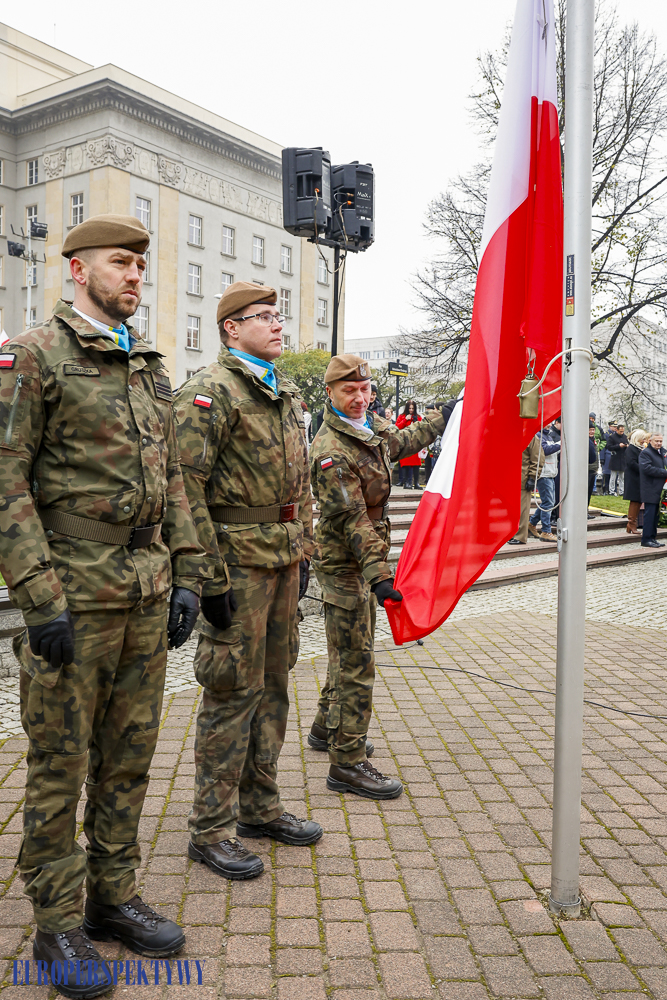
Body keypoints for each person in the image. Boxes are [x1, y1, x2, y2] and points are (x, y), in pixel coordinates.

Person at [0, 214, 205, 996]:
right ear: (78, 270)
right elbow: (6, 479)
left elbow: (174, 476)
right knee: (61, 762)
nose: (135, 276)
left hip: (144, 591)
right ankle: (56, 924)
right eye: (121, 263)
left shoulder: (146, 364)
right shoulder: (36, 354)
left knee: (129, 756)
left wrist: (187, 572)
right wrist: (38, 596)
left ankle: (111, 897)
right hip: (74, 595)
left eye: (140, 266)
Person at [173, 280, 322, 884]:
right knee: (231, 691)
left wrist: (305, 547)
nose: (278, 325)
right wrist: (205, 577)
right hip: (236, 565)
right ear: (231, 328)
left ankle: (260, 807)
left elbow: (301, 481)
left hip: (282, 560)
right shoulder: (211, 392)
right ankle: (211, 828)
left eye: (277, 315)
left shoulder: (281, 391)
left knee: (275, 685)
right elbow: (185, 489)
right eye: (263, 316)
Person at [307, 355, 456, 799]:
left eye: (365, 389)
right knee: (356, 661)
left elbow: (403, 441)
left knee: (348, 650)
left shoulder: (368, 426)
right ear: (330, 393)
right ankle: (347, 763)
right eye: (349, 390)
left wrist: (444, 416)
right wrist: (379, 576)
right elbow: (352, 518)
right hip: (345, 561)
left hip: (364, 556)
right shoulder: (331, 449)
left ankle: (325, 729)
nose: (359, 397)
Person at [508, 435, 544, 545]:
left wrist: (532, 477)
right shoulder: (510, 435)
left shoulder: (531, 437)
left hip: (523, 478)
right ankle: (511, 533)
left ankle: (520, 536)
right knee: (511, 510)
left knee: (522, 510)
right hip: (510, 477)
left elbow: (538, 458)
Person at [528, 425, 561, 541]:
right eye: (547, 422)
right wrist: (560, 444)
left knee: (548, 502)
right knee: (548, 503)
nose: (549, 425)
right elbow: (545, 451)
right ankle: (546, 531)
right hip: (544, 473)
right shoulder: (538, 436)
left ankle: (532, 523)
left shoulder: (548, 436)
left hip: (550, 472)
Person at [638, 432, 667, 548]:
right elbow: (647, 468)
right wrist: (664, 472)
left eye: (661, 441)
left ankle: (653, 538)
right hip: (650, 488)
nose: (659, 443)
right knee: (649, 515)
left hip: (659, 488)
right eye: (657, 441)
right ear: (650, 441)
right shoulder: (646, 453)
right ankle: (646, 539)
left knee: (655, 516)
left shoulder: (662, 452)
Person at [624, 429, 649, 535]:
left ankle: (631, 524)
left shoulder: (638, 449)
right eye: (642, 438)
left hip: (638, 478)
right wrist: (644, 469)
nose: (644, 441)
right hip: (633, 479)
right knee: (635, 501)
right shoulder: (631, 449)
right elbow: (631, 463)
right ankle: (631, 523)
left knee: (638, 501)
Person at [395, 400, 423, 489]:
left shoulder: (418, 417)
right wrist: (405, 420)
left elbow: (421, 428)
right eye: (409, 408)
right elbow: (397, 427)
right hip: (405, 442)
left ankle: (416, 482)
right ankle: (407, 482)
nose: (411, 410)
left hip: (415, 443)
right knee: (406, 462)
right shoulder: (402, 416)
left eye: (412, 408)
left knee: (416, 463)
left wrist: (416, 421)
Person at [607, 422, 629, 495]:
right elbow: (609, 447)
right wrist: (618, 446)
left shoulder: (625, 437)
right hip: (615, 458)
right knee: (613, 477)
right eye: (620, 431)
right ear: (617, 430)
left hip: (623, 459)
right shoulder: (612, 437)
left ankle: (622, 491)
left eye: (623, 431)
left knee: (622, 477)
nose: (622, 433)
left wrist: (627, 446)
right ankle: (611, 491)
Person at [588, 427, 599, 510]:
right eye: (590, 430)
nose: (592, 432)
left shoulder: (593, 440)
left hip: (593, 469)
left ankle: (586, 509)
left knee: (589, 492)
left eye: (593, 430)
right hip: (587, 469)